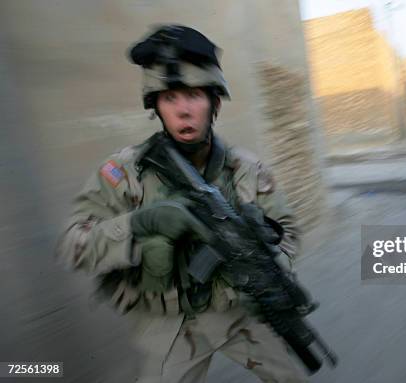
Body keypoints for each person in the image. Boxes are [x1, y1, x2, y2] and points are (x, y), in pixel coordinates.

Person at [56, 24, 308, 382]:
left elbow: (290, 232)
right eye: (170, 98)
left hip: (241, 310)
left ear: (214, 102)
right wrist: (138, 225)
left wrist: (267, 244)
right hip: (171, 325)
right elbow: (73, 246)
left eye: (194, 95)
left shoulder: (247, 170)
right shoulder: (125, 171)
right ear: (156, 107)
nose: (183, 110)